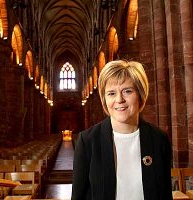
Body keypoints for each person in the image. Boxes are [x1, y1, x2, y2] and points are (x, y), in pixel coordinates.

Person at [71, 60, 172, 200]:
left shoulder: (158, 139)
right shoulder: (87, 141)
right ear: (104, 99)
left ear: (140, 95)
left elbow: (165, 194)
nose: (119, 99)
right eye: (111, 93)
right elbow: (78, 196)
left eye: (127, 91)